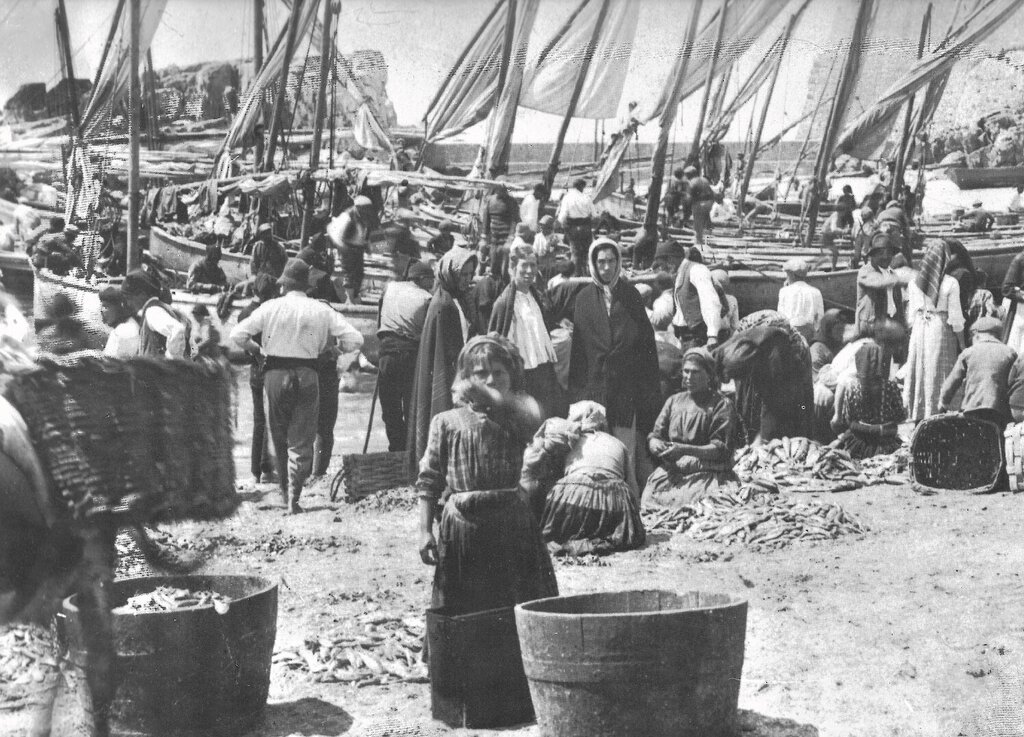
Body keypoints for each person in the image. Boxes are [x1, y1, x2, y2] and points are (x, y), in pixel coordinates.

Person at [415, 335, 557, 613]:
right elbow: (428, 481)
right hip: (463, 528)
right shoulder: (446, 422)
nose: (491, 380)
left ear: (512, 376)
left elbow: (532, 415)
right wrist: (424, 530)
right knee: (467, 608)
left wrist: (496, 398)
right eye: (481, 373)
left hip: (512, 525)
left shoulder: (516, 417)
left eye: (499, 372)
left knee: (516, 605)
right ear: (466, 378)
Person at [230, 258, 363, 513]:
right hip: (307, 373)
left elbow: (237, 335)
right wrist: (334, 349)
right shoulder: (321, 309)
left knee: (277, 436)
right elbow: (355, 339)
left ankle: (283, 491)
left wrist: (257, 350)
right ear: (307, 285)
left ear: (284, 285)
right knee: (302, 439)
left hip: (275, 373)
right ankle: (294, 496)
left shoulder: (270, 307)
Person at [564, 237, 661, 486]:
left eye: (611, 261)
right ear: (593, 264)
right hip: (595, 389)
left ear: (618, 263)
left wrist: (646, 389)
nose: (606, 267)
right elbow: (579, 351)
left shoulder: (631, 296)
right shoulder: (584, 299)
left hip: (625, 390)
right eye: (601, 262)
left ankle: (628, 500)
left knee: (625, 452)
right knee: (597, 452)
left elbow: (645, 344)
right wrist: (578, 394)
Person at [525, 401, 644, 554]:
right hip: (613, 506)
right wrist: (631, 516)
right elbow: (633, 488)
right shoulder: (619, 444)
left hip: (574, 503)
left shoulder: (569, 442)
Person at [406, 247, 478, 479]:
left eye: (470, 274)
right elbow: (445, 353)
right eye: (463, 275)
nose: (468, 279)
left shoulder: (458, 299)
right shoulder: (444, 304)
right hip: (450, 374)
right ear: (451, 274)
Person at [643, 347, 739, 507]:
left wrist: (685, 450)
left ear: (709, 375)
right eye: (686, 371)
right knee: (649, 502)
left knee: (691, 505)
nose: (689, 377)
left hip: (706, 472)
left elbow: (721, 449)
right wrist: (655, 444)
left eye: (695, 372)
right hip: (673, 470)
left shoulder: (721, 405)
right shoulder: (674, 401)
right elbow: (656, 434)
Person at [489, 243, 565, 420]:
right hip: (521, 374)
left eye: (533, 265)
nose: (529, 271)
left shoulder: (535, 297)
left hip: (542, 371)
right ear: (513, 268)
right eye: (524, 265)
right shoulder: (504, 304)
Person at [717, 310, 815, 443]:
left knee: (794, 415)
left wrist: (762, 439)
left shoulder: (781, 355)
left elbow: (773, 405)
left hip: (782, 352)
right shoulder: (730, 348)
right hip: (758, 341)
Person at [903, 240, 965, 423]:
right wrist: (962, 344)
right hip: (939, 327)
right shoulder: (950, 283)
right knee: (939, 370)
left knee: (921, 368)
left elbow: (910, 317)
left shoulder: (913, 283)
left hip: (919, 327)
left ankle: (920, 413)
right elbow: (956, 318)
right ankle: (938, 413)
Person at [377, 261, 434, 452]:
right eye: (431, 280)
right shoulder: (427, 298)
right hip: (410, 354)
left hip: (387, 351)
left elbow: (380, 312)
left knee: (390, 407)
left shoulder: (391, 287)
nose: (432, 284)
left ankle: (396, 448)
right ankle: (411, 451)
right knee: (412, 407)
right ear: (422, 279)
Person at [830, 339, 906, 459]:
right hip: (886, 446)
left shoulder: (852, 388)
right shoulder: (890, 387)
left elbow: (848, 417)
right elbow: (901, 416)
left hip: (857, 444)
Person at [236, 273, 279, 484]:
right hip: (270, 368)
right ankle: (266, 468)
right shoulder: (269, 313)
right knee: (270, 420)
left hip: (254, 369)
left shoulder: (244, 313)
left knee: (258, 421)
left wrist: (254, 351)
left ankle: (255, 470)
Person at [939, 317, 1016, 431]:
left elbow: (952, 382)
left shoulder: (968, 353)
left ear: (977, 335)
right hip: (1000, 411)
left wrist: (943, 403)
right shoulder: (1010, 353)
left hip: (972, 409)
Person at [120, 269, 188, 359]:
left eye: (129, 298)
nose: (128, 303)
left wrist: (170, 361)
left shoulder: (152, 311)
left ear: (142, 294)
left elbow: (177, 330)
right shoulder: (161, 307)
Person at [670, 247, 723, 351]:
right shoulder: (679, 275)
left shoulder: (697, 271)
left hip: (696, 334)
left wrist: (712, 335)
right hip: (683, 334)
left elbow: (710, 301)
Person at [326, 195, 375, 303]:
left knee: (359, 273)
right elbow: (335, 232)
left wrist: (367, 246)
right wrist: (342, 246)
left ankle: (354, 296)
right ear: (358, 207)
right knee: (350, 273)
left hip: (358, 248)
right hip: (347, 247)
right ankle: (349, 298)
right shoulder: (347, 216)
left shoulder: (364, 217)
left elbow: (364, 233)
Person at [855, 232, 903, 340]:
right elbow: (879, 282)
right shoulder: (865, 271)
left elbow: (899, 303)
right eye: (881, 253)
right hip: (870, 326)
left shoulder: (892, 273)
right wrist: (904, 277)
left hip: (890, 323)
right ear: (873, 255)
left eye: (889, 253)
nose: (885, 257)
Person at [777, 258, 824, 343]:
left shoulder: (784, 291)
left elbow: (780, 317)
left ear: (792, 275)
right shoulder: (816, 292)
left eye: (787, 275)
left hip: (790, 335)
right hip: (809, 335)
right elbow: (820, 318)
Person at [557, 178, 597, 276]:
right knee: (587, 253)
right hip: (585, 228)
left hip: (573, 229)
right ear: (582, 187)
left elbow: (562, 217)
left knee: (575, 253)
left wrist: (563, 227)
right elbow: (595, 215)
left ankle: (576, 275)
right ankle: (588, 274)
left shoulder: (567, 198)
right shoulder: (586, 198)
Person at [481, 179, 520, 272]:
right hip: (493, 240)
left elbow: (514, 221)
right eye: (498, 188)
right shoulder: (490, 200)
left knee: (505, 269)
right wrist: (483, 238)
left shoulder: (512, 202)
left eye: (503, 189)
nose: (500, 191)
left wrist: (510, 240)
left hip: (506, 240)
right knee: (493, 265)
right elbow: (486, 221)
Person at [99, 286, 139, 358]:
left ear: (120, 308)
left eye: (106, 306)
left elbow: (110, 362)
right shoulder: (128, 325)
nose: (102, 311)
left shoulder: (124, 330)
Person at [685, 166, 716, 248]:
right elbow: (711, 192)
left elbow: (689, 198)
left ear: (690, 175)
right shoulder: (705, 180)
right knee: (705, 218)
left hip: (700, 203)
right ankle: (708, 234)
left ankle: (698, 241)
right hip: (710, 202)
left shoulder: (692, 182)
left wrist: (686, 210)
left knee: (698, 222)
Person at [710, 269, 739, 340]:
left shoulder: (732, 300)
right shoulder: (732, 299)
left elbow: (735, 325)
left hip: (720, 335)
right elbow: (735, 326)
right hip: (719, 335)